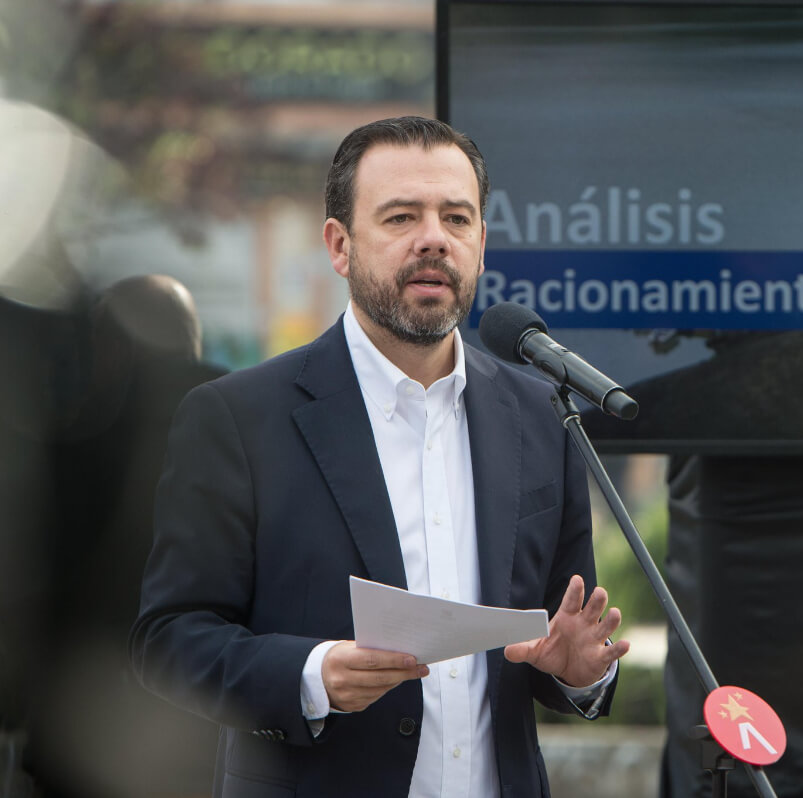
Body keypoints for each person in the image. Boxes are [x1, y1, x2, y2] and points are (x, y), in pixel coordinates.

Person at [130, 116, 629, 798]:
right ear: (339, 245)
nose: (434, 238)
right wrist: (310, 674)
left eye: (457, 218)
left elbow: (556, 637)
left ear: (480, 243)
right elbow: (168, 640)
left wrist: (579, 671)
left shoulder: (542, 413)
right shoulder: (240, 417)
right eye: (400, 217)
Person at [25, 275, 224, 798]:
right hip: (207, 729)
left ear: (110, 347)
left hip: (84, 730)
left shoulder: (75, 445)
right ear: (191, 340)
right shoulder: (248, 427)